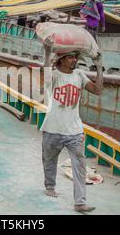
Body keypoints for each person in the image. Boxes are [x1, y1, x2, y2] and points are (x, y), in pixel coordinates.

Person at [40, 40, 103, 213]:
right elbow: (45, 73)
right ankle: (50, 186)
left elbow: (97, 90)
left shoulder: (80, 76)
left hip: (74, 130)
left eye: (75, 57)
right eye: (70, 58)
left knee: (80, 166)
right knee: (49, 160)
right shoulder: (53, 75)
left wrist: (99, 67)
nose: (74, 60)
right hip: (52, 127)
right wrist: (47, 52)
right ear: (60, 60)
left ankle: (80, 202)